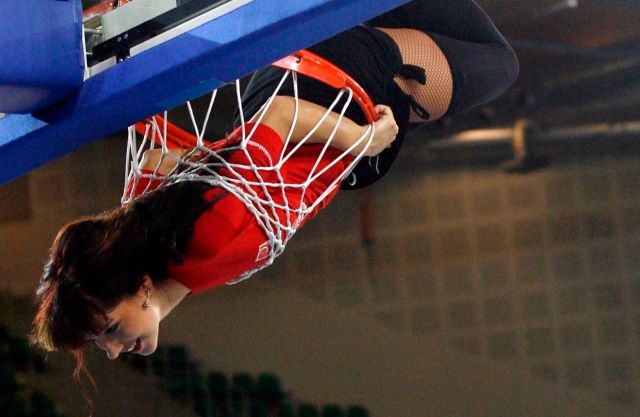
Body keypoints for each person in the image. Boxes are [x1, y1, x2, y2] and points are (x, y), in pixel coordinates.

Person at [31, 0, 518, 386]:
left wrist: (365, 140)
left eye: (111, 330)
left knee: (495, 62)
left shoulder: (207, 242)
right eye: (104, 343)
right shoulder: (155, 226)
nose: (115, 350)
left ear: (137, 287)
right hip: (287, 76)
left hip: (340, 89)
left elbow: (282, 117)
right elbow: (160, 154)